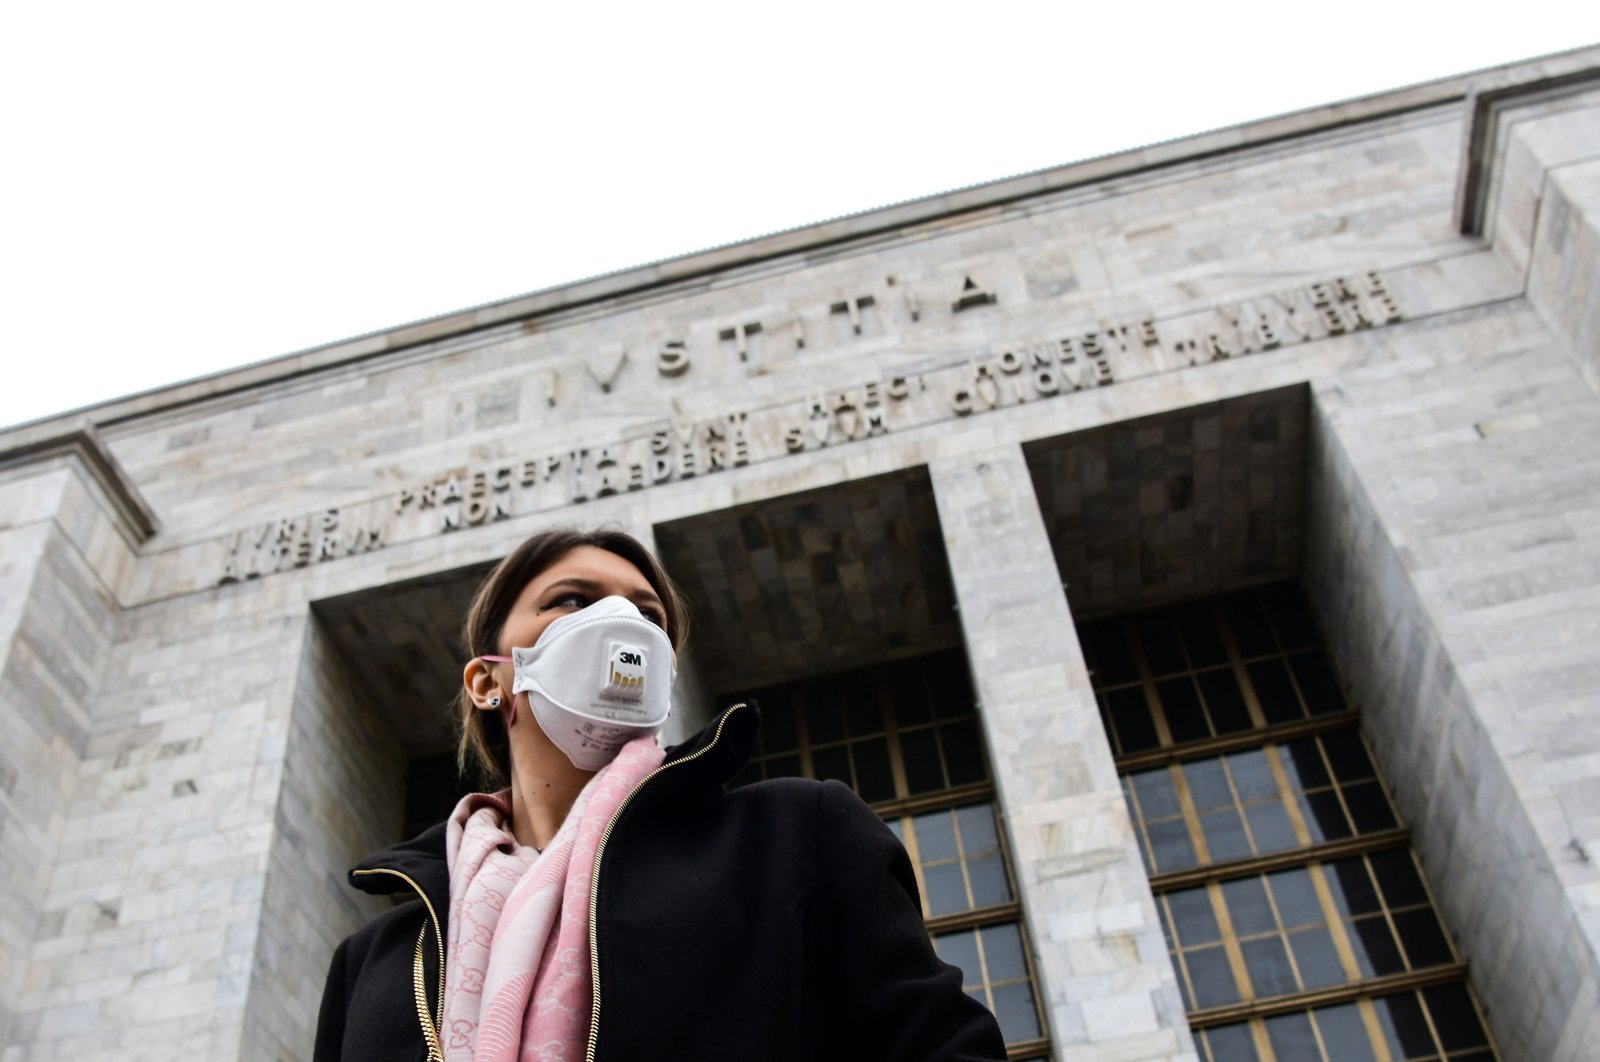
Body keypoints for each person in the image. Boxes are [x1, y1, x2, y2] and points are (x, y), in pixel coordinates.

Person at [313, 526, 1007, 1061]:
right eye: (573, 601)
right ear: (488, 680)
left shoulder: (796, 837)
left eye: (649, 616)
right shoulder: (373, 959)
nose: (621, 623)